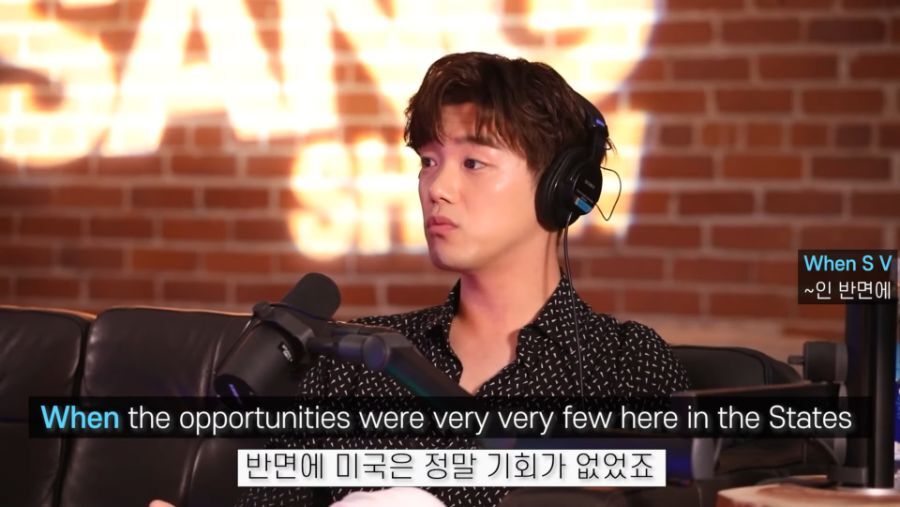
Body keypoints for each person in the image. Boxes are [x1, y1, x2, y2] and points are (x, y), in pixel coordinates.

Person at [153, 51, 690, 507]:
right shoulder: (354, 361)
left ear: (561, 189)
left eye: (473, 163)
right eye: (429, 162)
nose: (437, 188)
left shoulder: (625, 364)